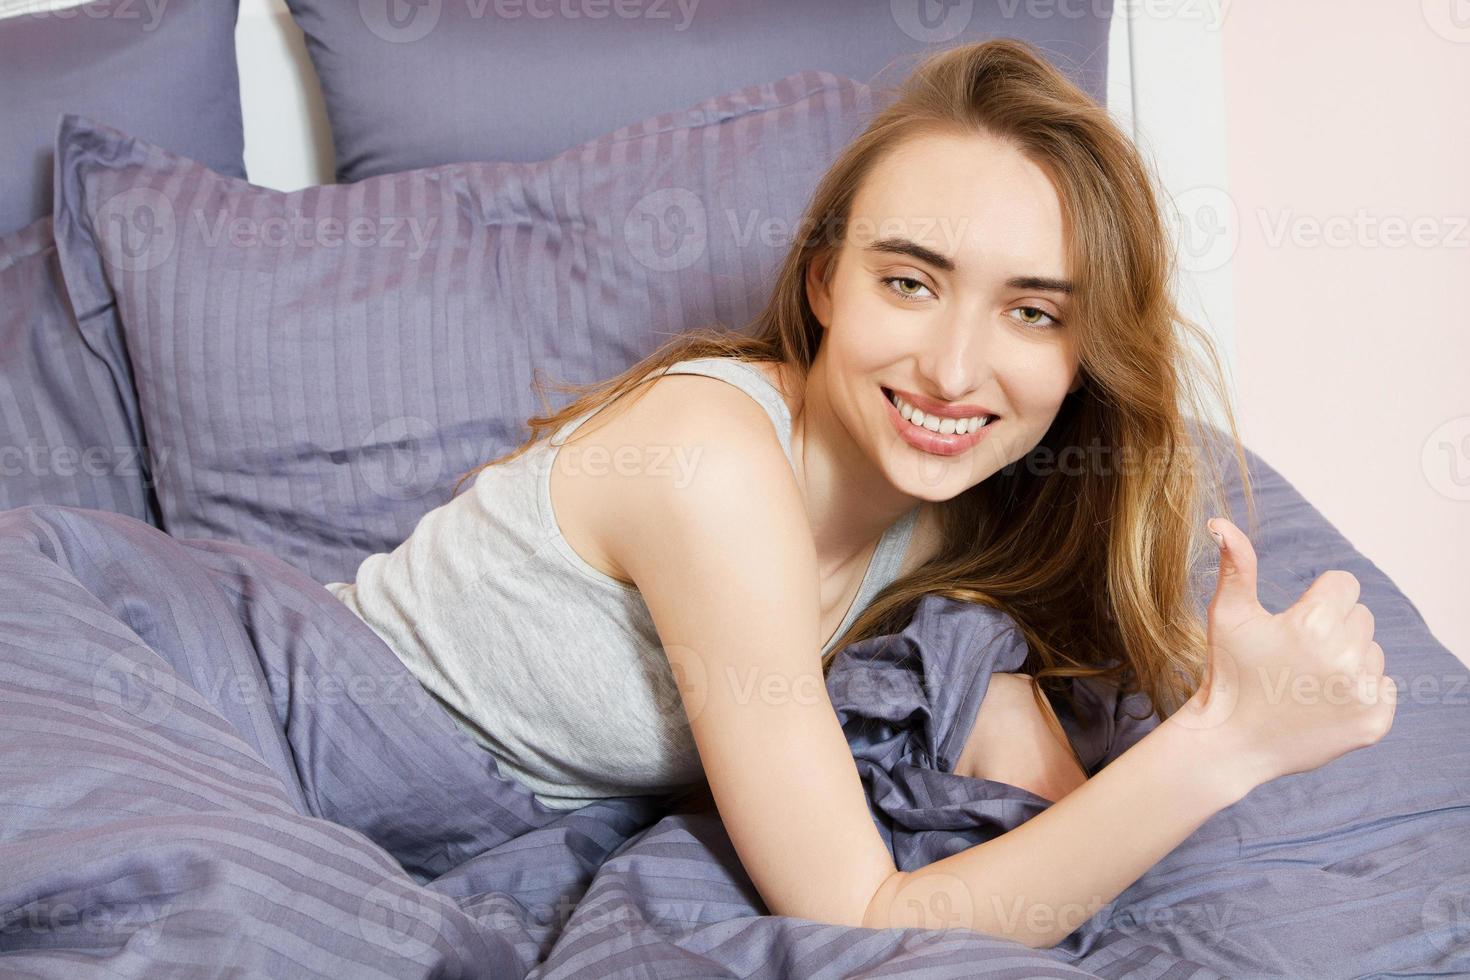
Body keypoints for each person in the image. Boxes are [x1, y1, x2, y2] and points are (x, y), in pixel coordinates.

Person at [325, 38, 1394, 949]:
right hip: (324, 736)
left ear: (1083, 356)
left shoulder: (954, 529)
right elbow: (863, 912)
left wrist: (1203, 719)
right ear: (823, 280)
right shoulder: (709, 460)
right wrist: (1226, 742)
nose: (952, 369)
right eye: (910, 282)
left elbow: (1050, 845)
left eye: (1032, 312)